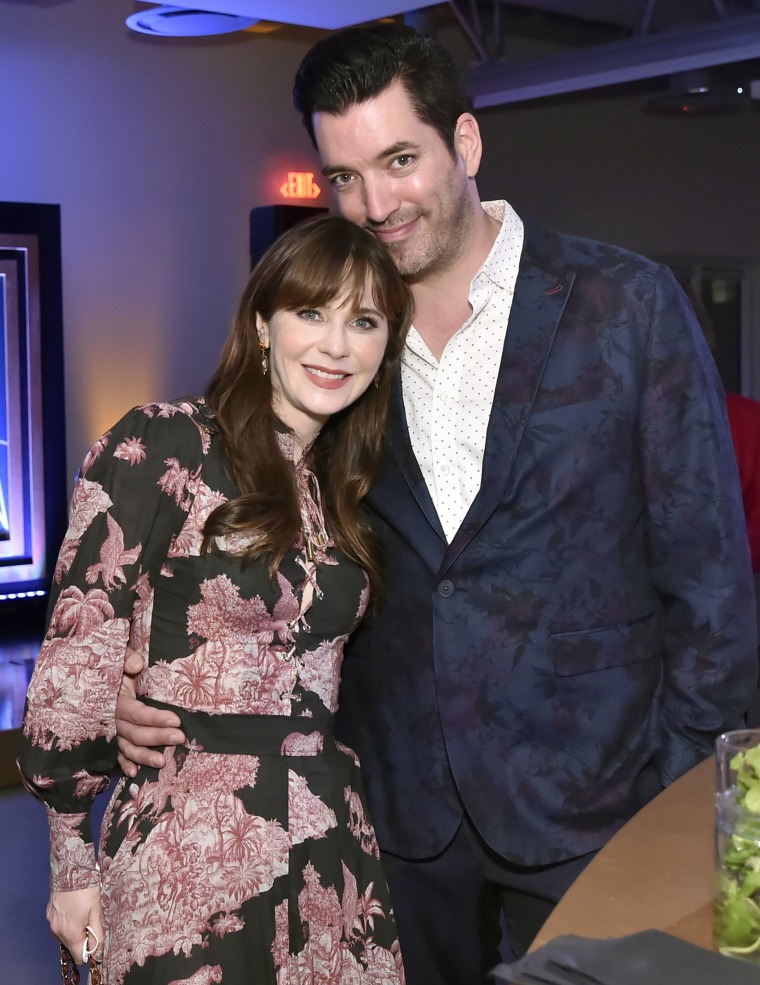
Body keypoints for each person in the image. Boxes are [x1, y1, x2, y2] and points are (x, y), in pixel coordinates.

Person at [114, 24, 758, 985]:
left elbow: (710, 584)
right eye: (342, 177)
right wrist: (147, 680)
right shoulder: (337, 346)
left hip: (597, 805)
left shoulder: (628, 306)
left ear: (464, 144)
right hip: (395, 811)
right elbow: (245, 537)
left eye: (399, 160)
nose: (374, 205)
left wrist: (667, 796)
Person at [18, 214, 413, 985]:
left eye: (363, 321)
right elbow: (79, 657)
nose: (336, 345)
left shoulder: (348, 491)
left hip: (329, 846)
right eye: (311, 311)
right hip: (187, 851)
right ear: (262, 323)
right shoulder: (164, 443)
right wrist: (71, 866)